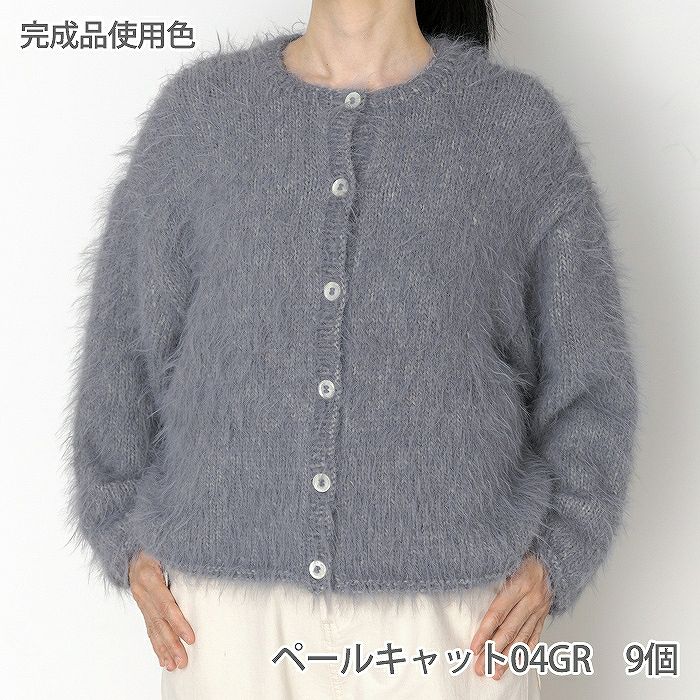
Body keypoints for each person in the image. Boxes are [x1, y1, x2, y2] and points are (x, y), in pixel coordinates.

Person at [66, 1, 639, 697]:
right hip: (226, 616)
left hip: (454, 620)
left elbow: (591, 380)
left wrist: (558, 554)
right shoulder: (202, 117)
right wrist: (123, 534)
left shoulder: (515, 127)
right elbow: (122, 351)